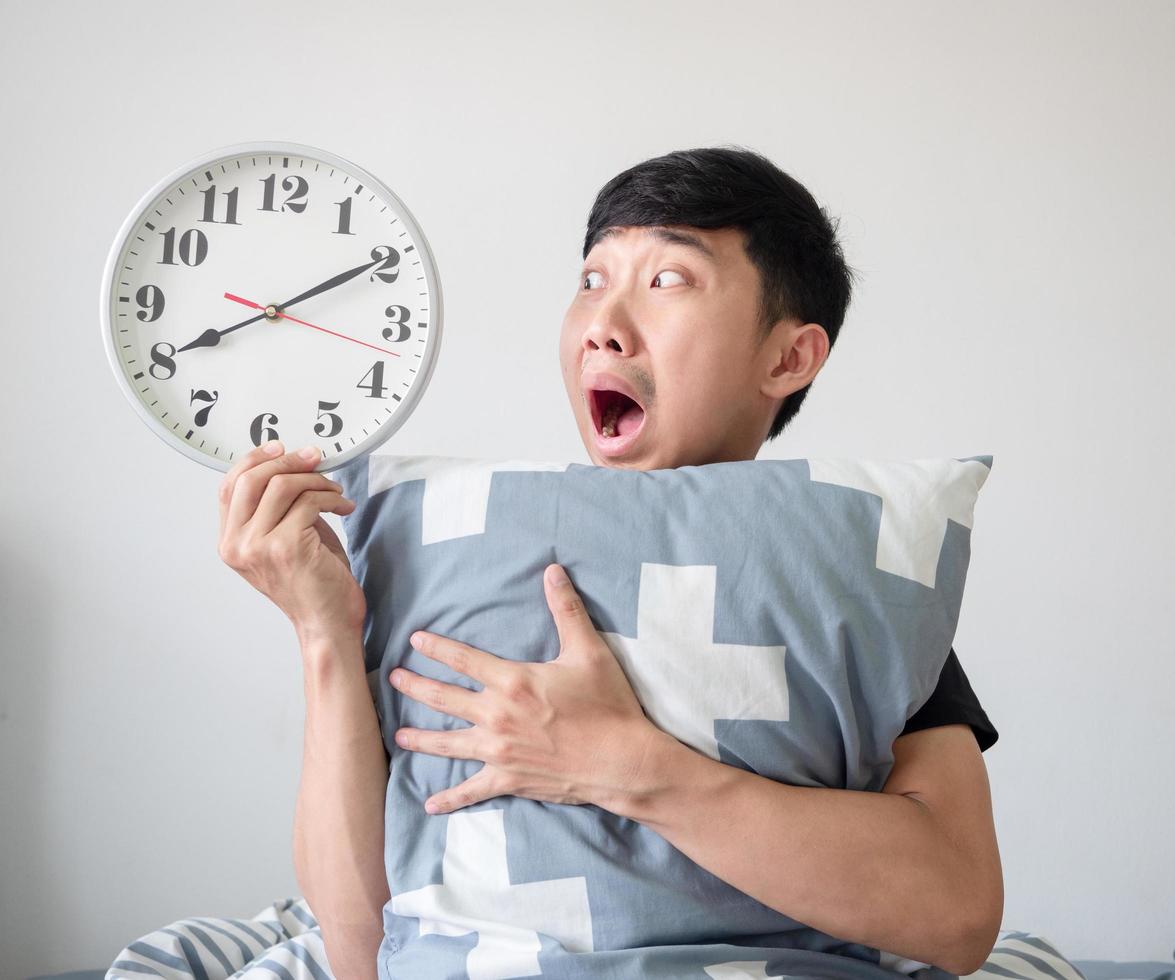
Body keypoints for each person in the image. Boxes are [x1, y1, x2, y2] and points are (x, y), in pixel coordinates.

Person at [217, 146, 1003, 979]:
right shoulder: (449, 575)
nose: (602, 322)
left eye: (667, 280)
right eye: (592, 278)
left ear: (788, 358)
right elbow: (360, 950)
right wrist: (324, 632)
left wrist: (624, 767)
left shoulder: (841, 586)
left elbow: (954, 916)